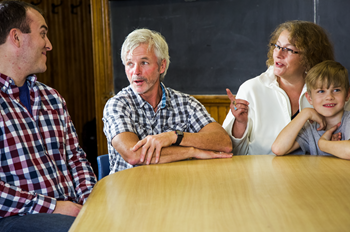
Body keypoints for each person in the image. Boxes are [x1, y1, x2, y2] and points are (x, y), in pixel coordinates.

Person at [0, 1, 96, 232]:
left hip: (69, 210)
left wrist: (90, 201)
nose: (49, 45)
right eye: (43, 34)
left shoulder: (52, 97)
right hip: (15, 218)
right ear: (16, 38)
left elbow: (75, 158)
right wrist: (53, 207)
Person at [103, 28, 233, 173]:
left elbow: (224, 143)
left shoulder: (186, 104)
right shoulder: (117, 105)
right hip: (130, 191)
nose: (136, 72)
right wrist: (191, 151)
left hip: (176, 189)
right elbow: (134, 155)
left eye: (144, 62)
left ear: (162, 66)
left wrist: (174, 136)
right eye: (130, 64)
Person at [222, 20, 343, 155]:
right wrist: (240, 124)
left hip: (315, 173)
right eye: (277, 46)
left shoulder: (330, 91)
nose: (278, 54)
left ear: (309, 57)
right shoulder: (251, 89)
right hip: (264, 173)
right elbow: (233, 153)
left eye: (288, 49)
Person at [272, 60, 350, 159]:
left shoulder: (348, 121)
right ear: (309, 98)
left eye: (336, 90)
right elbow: (278, 148)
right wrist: (305, 113)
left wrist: (323, 144)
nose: (329, 97)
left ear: (347, 94)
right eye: (321, 91)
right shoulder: (311, 129)